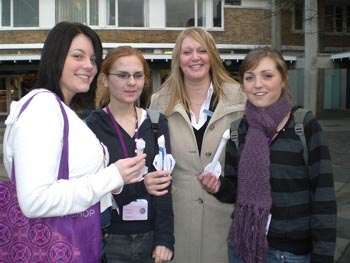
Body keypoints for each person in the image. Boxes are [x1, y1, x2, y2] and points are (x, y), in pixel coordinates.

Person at [3, 21, 146, 258]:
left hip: (80, 238)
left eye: (93, 59)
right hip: (63, 243)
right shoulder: (43, 108)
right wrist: (111, 175)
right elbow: (35, 201)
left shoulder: (59, 109)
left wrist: (115, 181)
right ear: (55, 57)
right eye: (78, 56)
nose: (89, 66)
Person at [199, 46, 337, 263]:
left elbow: (324, 196)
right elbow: (236, 191)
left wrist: (323, 255)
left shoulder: (304, 125)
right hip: (243, 248)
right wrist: (219, 187)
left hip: (290, 254)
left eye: (267, 76)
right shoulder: (238, 130)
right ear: (243, 84)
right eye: (249, 77)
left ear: (283, 79)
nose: (258, 85)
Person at [148, 27, 246, 263]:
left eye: (202, 50)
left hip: (226, 220)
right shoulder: (159, 101)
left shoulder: (240, 97)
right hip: (177, 220)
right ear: (177, 59)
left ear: (212, 55)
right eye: (187, 52)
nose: (195, 58)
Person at [85, 46, 174, 263]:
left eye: (137, 75)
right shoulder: (91, 128)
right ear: (105, 79)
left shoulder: (156, 123)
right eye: (122, 75)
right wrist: (141, 187)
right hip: (108, 239)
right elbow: (91, 191)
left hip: (150, 238)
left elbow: (164, 186)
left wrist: (165, 239)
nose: (131, 82)